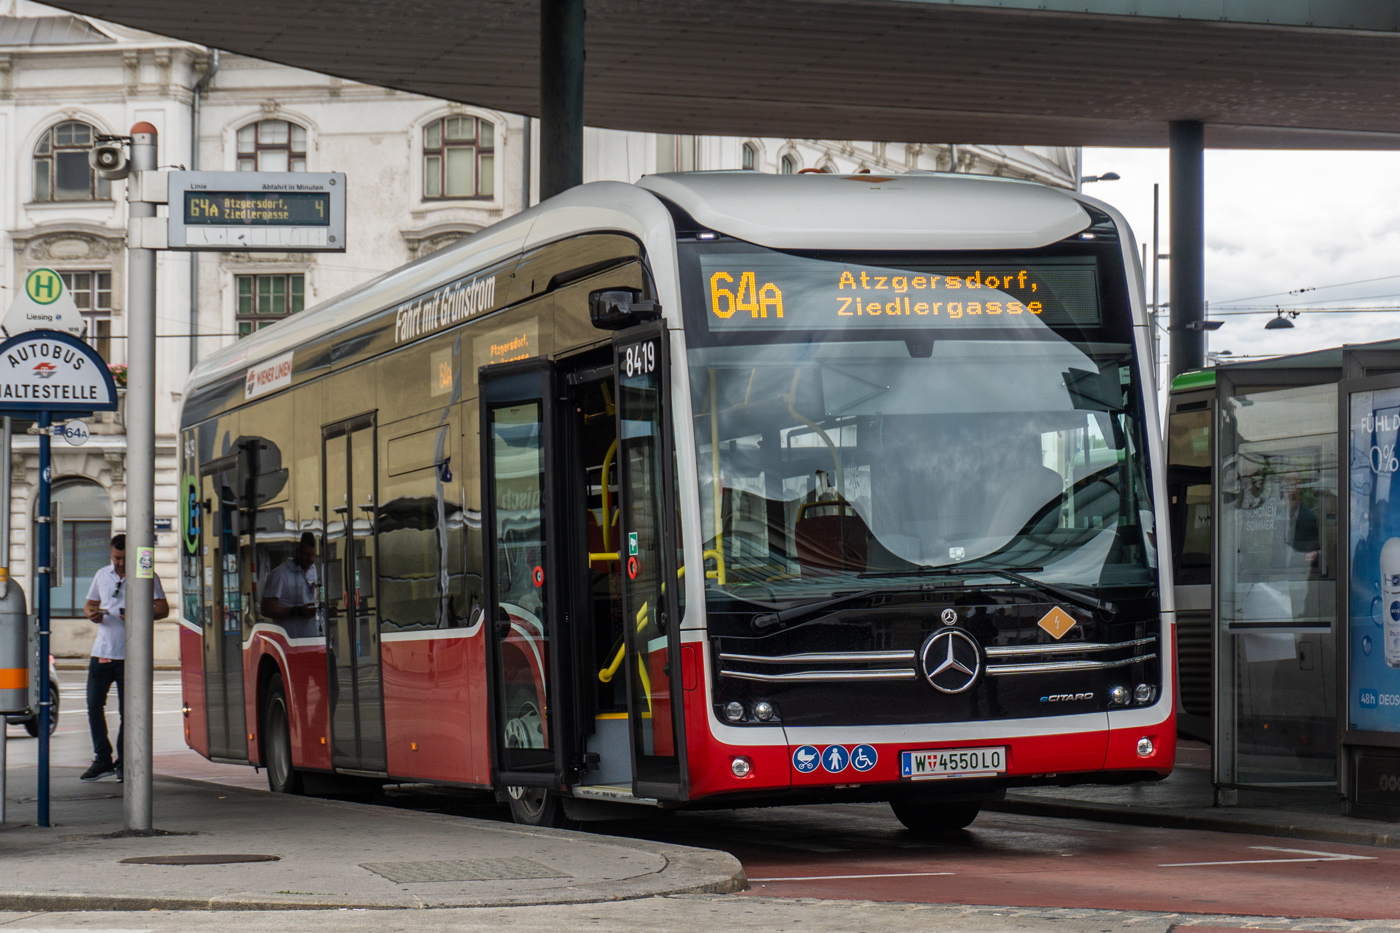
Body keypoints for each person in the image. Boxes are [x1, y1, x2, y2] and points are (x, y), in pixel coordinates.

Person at [80, 533, 168, 782]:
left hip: (130, 655)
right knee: (93, 706)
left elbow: (162, 608)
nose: (119, 563)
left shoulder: (145, 575)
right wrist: (92, 614)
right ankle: (102, 758)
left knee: (129, 712)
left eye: (124, 558)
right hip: (102, 652)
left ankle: (124, 761)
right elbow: (89, 604)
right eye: (116, 558)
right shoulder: (101, 575)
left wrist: (140, 614)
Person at [261, 532, 320, 636]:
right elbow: (266, 609)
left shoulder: (312, 569)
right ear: (298, 551)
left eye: (313, 555)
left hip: (312, 639)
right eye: (306, 555)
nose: (311, 560)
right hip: (290, 641)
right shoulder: (280, 574)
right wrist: (296, 612)